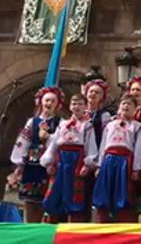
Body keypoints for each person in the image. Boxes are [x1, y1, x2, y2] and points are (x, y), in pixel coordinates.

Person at [9, 86, 63, 223]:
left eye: (52, 101)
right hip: (31, 166)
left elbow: (61, 143)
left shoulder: (60, 123)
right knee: (30, 202)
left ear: (57, 104)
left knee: (48, 202)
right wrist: (19, 164)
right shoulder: (32, 122)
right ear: (41, 102)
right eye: (46, 100)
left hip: (49, 168)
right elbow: (23, 142)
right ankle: (31, 229)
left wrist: (48, 138)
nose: (49, 103)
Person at [41, 94, 97, 222]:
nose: (77, 107)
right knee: (56, 193)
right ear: (70, 107)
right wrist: (49, 162)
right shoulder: (63, 124)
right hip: (61, 161)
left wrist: (87, 164)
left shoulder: (87, 126)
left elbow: (90, 146)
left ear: (85, 107)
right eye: (74, 104)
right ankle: (54, 226)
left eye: (80, 104)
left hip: (76, 162)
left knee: (75, 194)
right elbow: (54, 144)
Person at [92, 95, 141, 223]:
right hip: (109, 160)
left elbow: (139, 149)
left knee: (124, 191)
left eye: (129, 104)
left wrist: (136, 169)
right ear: (118, 108)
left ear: (135, 110)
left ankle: (124, 219)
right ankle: (103, 219)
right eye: (123, 104)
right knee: (106, 189)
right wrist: (100, 165)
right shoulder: (110, 125)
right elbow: (103, 146)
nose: (126, 106)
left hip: (125, 162)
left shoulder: (137, 127)